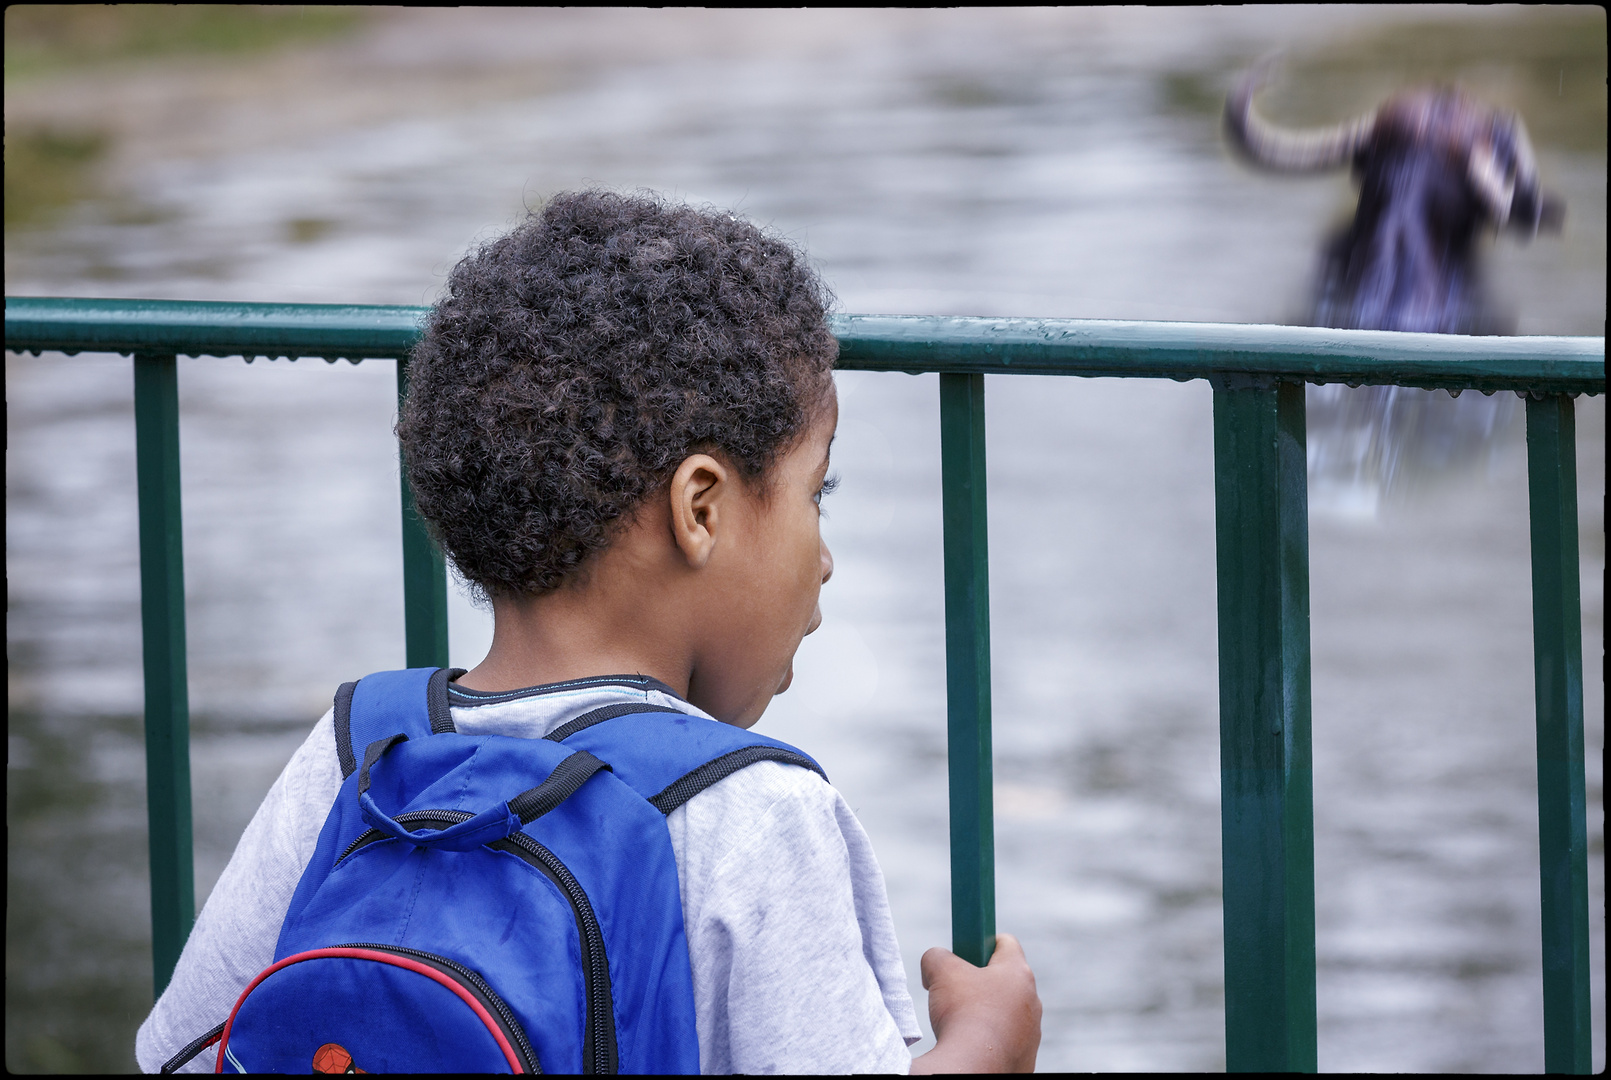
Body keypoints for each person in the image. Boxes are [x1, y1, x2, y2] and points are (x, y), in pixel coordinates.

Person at [135, 189, 1041, 1074]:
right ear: (701, 508)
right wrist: (985, 1050)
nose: (826, 558)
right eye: (815, 494)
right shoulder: (751, 815)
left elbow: (180, 1053)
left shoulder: (356, 749)